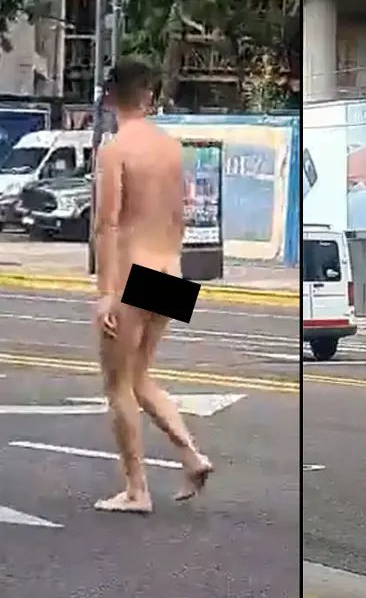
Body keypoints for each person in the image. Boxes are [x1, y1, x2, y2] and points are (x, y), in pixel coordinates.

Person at [93, 57, 213, 513]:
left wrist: (106, 291)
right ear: (149, 97)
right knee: (140, 376)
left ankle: (136, 489)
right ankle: (192, 456)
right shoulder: (171, 148)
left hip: (132, 273)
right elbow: (180, 215)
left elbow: (107, 225)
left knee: (117, 385)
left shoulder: (115, 149)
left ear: (110, 97)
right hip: (169, 271)